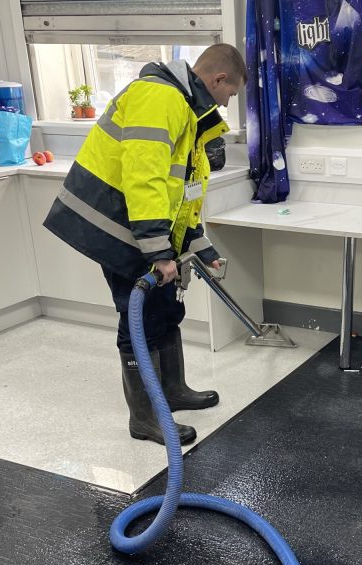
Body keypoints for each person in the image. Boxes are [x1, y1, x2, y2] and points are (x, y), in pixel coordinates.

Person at [44, 44, 247, 446]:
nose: (227, 103)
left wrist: (198, 245)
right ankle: (145, 417)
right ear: (218, 79)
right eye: (231, 94)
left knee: (166, 308)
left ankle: (172, 392)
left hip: (142, 224)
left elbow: (180, 189)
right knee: (137, 316)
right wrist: (158, 252)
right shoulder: (159, 98)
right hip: (117, 225)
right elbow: (145, 179)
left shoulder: (185, 109)